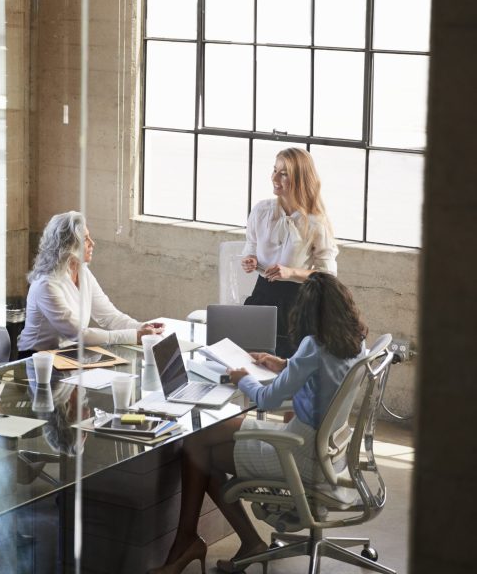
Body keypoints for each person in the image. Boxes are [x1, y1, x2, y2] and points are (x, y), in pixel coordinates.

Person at [147, 272, 368, 574]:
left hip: (298, 452)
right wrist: (285, 365)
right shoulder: (355, 343)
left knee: (197, 447)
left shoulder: (313, 345)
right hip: (323, 447)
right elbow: (322, 374)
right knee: (203, 439)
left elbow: (267, 400)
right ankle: (224, 542)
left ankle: (188, 544)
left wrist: (243, 378)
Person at [17, 211, 164, 354]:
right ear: (68, 246)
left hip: (68, 355)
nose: (92, 243)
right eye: (85, 239)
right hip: (34, 359)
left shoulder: (83, 272)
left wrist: (140, 327)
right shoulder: (47, 285)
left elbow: (109, 316)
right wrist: (135, 336)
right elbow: (79, 334)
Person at [241, 147, 338, 358]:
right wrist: (250, 259)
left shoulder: (316, 222)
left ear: (300, 179)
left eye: (283, 173)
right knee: (250, 361)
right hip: (262, 296)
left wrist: (290, 272)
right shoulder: (261, 210)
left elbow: (328, 276)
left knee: (287, 367)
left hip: (296, 302)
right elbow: (251, 244)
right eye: (274, 170)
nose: (274, 177)